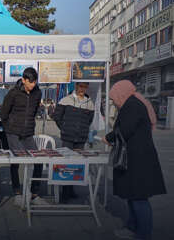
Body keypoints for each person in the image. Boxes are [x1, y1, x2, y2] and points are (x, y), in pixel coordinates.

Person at [102, 80, 166, 240]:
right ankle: (132, 227)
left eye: (114, 97)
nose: (114, 101)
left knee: (139, 198)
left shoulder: (133, 105)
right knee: (132, 196)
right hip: (133, 158)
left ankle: (143, 233)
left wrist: (108, 138)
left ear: (121, 93)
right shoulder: (131, 103)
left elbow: (124, 129)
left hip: (139, 161)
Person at [0, 67, 46, 206]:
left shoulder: (38, 93)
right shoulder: (13, 93)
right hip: (13, 133)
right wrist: (9, 129)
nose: (33, 84)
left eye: (35, 82)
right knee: (17, 161)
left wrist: (29, 125)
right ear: (24, 80)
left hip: (28, 133)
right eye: (30, 82)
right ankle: (17, 193)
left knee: (38, 161)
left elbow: (34, 110)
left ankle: (34, 194)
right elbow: (4, 114)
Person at [51, 82, 94, 202]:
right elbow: (57, 117)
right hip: (67, 138)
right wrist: (64, 128)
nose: (82, 89)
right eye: (80, 86)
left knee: (76, 165)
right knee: (66, 165)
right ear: (76, 87)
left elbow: (89, 120)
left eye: (85, 87)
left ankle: (71, 190)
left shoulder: (90, 104)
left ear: (87, 88)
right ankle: (65, 192)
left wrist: (83, 131)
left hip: (80, 139)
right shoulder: (65, 100)